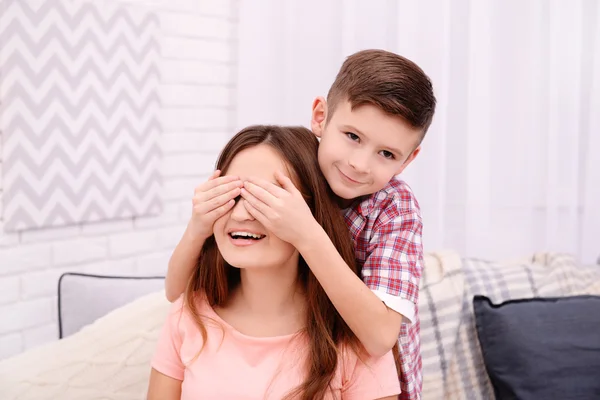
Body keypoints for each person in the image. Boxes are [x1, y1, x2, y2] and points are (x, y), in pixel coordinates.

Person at [165, 49, 436, 399]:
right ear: (321, 116)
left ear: (407, 160)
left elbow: (380, 338)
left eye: (387, 154)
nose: (359, 164)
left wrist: (307, 233)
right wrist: (199, 226)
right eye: (352, 136)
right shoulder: (301, 168)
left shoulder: (394, 207)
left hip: (371, 380)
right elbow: (176, 293)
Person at [148, 125, 401, 399]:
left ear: (310, 215)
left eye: (265, 199)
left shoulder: (354, 341)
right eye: (231, 195)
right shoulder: (188, 317)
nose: (242, 213)